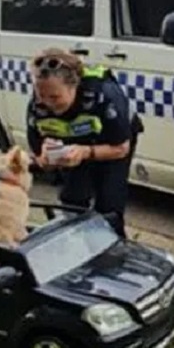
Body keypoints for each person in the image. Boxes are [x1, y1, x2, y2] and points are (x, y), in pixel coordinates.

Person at [26, 48, 142, 238]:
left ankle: (113, 250)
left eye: (55, 97)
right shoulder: (37, 105)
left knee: (108, 205)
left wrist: (86, 152)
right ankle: (78, 247)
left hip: (112, 143)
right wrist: (45, 159)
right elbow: (38, 152)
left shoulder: (104, 95)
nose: (48, 103)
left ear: (75, 86)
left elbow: (122, 148)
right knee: (73, 200)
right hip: (73, 144)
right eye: (41, 96)